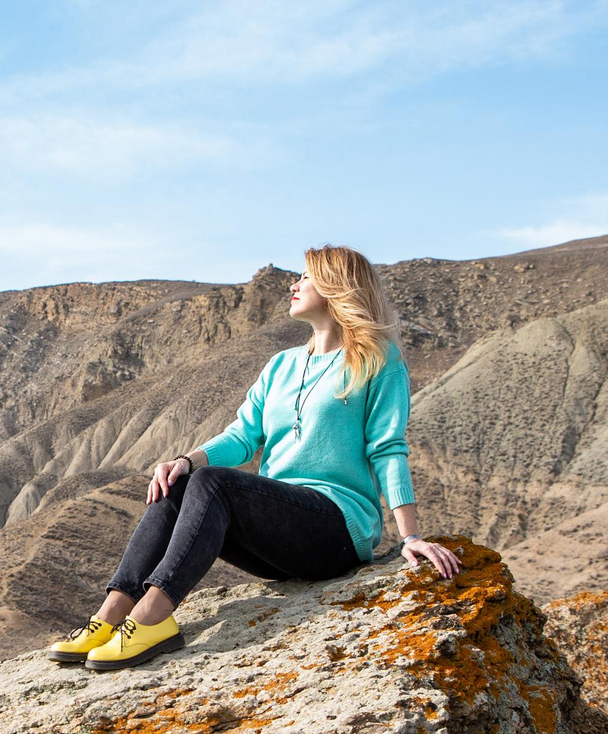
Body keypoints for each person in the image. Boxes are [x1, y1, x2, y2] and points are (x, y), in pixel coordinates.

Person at [52, 245, 463, 672]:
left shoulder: (378, 361)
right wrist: (184, 460)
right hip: (281, 533)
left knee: (215, 482)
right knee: (181, 480)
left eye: (306, 276)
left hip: (336, 529)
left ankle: (153, 617)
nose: (294, 284)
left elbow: (388, 448)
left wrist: (411, 536)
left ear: (337, 285)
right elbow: (244, 436)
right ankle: (110, 615)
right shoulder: (281, 365)